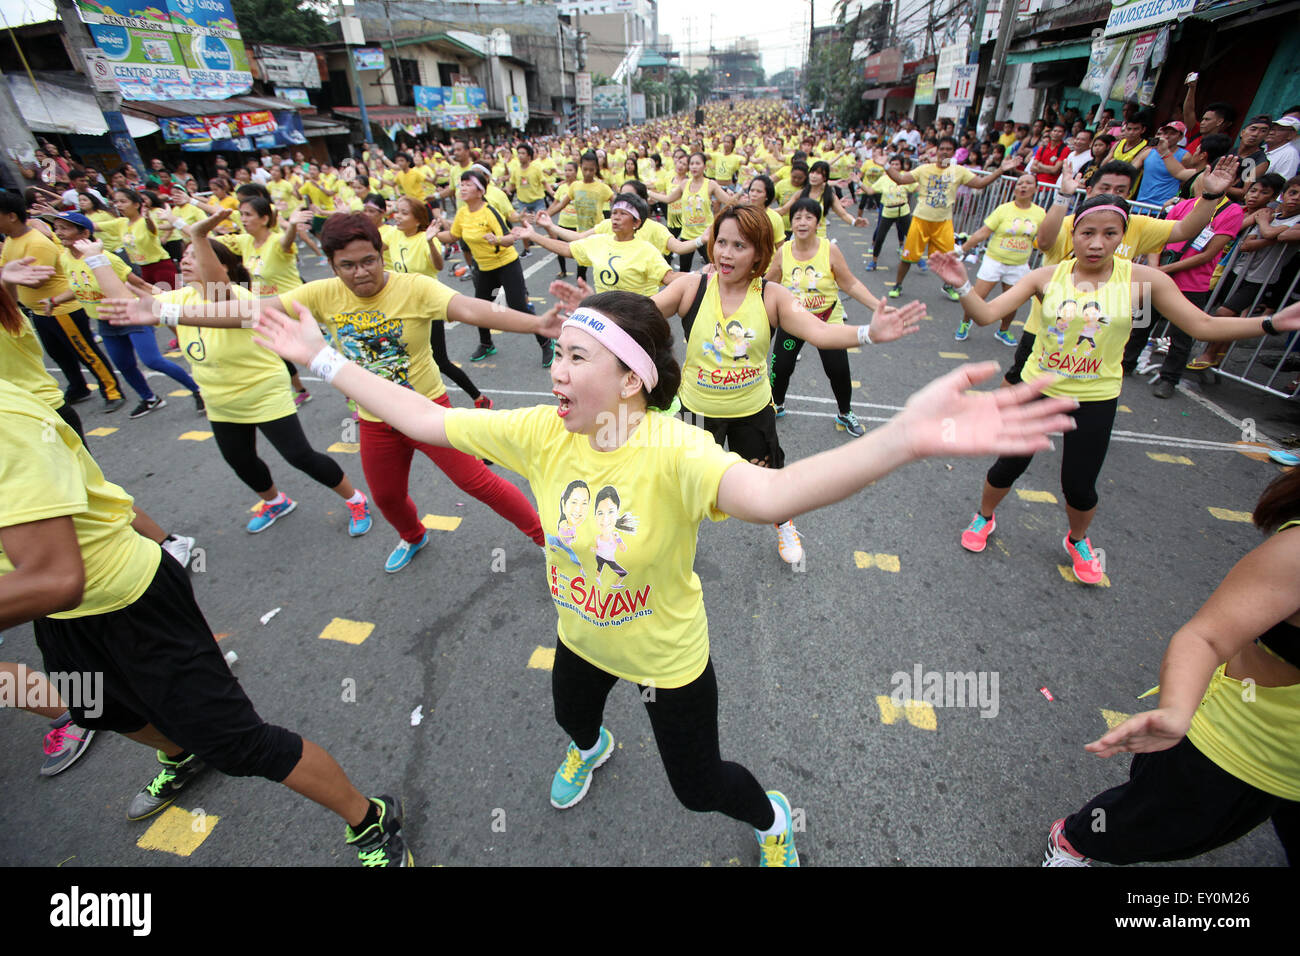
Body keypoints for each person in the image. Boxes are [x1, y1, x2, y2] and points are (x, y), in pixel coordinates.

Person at [252, 277, 1076, 868]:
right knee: (571, 718)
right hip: (581, 636)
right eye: (557, 354)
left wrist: (906, 438)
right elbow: (423, 414)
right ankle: (594, 743)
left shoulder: (676, 450)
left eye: (576, 357)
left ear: (632, 377)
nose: (556, 372)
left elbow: (778, 490)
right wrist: (323, 360)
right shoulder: (544, 432)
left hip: (669, 660)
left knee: (700, 786)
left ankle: (773, 816)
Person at [0, 378, 413, 866]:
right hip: (60, 620)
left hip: (129, 602)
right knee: (102, 711)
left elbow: (55, 577)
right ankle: (181, 754)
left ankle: (370, 819)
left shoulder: (9, 421)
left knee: (239, 744)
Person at [103, 211, 551, 574]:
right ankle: (414, 536)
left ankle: (547, 542)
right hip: (373, 420)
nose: (361, 273)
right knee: (387, 497)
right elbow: (248, 311)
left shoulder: (414, 287)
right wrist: (165, 314)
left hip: (428, 411)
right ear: (333, 266)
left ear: (382, 253)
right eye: (348, 266)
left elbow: (474, 309)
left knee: (480, 483)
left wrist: (537, 323)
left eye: (369, 260)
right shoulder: (320, 293)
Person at [930, 191, 1300, 585]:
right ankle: (984, 517)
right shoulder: (1046, 276)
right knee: (1009, 464)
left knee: (1078, 483)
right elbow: (987, 315)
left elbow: (1202, 326)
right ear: (1073, 234)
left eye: (1109, 234)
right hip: (1037, 388)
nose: (1096, 243)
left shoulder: (1144, 280)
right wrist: (963, 285)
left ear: (1123, 236)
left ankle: (1078, 540)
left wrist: (1272, 324)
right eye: (1086, 232)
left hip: (1096, 395)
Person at [1043, 465, 1300, 867]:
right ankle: (1072, 842)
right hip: (1238, 746)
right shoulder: (1296, 553)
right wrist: (1178, 710)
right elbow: (1207, 637)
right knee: (1138, 826)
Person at [651, 204, 923, 564]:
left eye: (739, 246)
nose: (726, 254)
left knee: (769, 480)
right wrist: (597, 312)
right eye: (722, 242)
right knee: (683, 483)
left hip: (751, 412)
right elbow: (643, 313)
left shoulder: (770, 295)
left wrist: (868, 333)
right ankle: (672, 538)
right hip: (697, 414)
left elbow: (821, 332)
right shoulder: (691, 287)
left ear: (760, 253)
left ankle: (783, 525)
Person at [45, 211, 202, 419]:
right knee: (124, 365)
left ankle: (197, 390)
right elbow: (78, 287)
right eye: (57, 228)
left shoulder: (106, 258)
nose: (59, 233)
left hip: (133, 314)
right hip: (106, 320)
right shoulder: (65, 259)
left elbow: (139, 284)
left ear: (84, 232)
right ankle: (149, 398)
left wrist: (168, 302)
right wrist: (53, 301)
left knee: (152, 360)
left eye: (64, 228)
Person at [767, 198, 889, 437]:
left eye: (808, 218)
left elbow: (850, 283)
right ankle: (776, 404)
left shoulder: (829, 249)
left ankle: (845, 412)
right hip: (794, 322)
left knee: (838, 369)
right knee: (780, 367)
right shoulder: (783, 252)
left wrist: (877, 306)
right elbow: (768, 282)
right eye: (797, 218)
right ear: (791, 222)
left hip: (827, 319)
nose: (802, 223)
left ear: (818, 222)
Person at [0, 192, 126, 412]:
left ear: (11, 216)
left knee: (86, 352)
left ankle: (112, 390)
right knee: (58, 354)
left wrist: (9, 278)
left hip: (62, 309)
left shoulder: (36, 243)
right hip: (40, 311)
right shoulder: (11, 240)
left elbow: (37, 280)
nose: (58, 232)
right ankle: (79, 387)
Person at [378, 195, 493, 409]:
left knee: (440, 361)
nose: (398, 217)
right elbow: (371, 247)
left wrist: (431, 241)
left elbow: (438, 266)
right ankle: (409, 405)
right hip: (402, 308)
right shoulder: (393, 235)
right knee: (403, 358)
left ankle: (479, 398)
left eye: (404, 213)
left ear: (418, 218)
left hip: (427, 307)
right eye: (397, 212)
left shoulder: (427, 238)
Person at [430, 168, 554, 366]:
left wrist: (496, 240)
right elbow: (452, 236)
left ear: (480, 191)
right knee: (480, 308)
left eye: (468, 184)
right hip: (484, 268)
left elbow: (510, 238)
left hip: (506, 264)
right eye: (462, 184)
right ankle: (486, 344)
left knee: (518, 306)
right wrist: (433, 234)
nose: (463, 188)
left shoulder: (489, 212)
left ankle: (547, 342)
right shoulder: (462, 213)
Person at [882, 138, 1024, 300]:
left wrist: (1000, 170)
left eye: (948, 149)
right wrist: (885, 165)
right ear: (937, 151)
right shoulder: (924, 169)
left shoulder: (959, 171)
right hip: (920, 220)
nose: (944, 152)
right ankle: (898, 285)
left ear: (954, 152)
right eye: (942, 148)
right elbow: (900, 179)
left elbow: (980, 183)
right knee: (908, 257)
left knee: (949, 258)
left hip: (943, 223)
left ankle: (948, 285)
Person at [517, 193, 686, 296]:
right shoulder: (599, 241)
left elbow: (669, 277)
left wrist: (704, 276)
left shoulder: (646, 250)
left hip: (635, 317)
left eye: (623, 214)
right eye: (614, 213)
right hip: (605, 315)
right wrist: (534, 235)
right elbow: (568, 249)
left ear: (636, 222)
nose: (616, 217)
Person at [953, 173, 1046, 345]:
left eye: (1028, 183)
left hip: (1018, 265)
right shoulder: (1003, 209)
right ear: (1015, 188)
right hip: (994, 261)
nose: (1023, 186)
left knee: (1012, 303)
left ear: (1036, 188)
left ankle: (1003, 330)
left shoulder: (1040, 213)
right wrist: (961, 251)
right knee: (976, 297)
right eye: (1020, 183)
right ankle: (965, 323)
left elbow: (1044, 240)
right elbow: (983, 232)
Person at [646, 152, 741, 272]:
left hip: (706, 235)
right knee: (684, 272)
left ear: (704, 166)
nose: (694, 166)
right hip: (687, 236)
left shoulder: (711, 184)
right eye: (691, 164)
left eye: (698, 163)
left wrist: (741, 191)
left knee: (714, 269)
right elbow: (668, 199)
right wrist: (648, 192)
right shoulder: (684, 184)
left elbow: (728, 201)